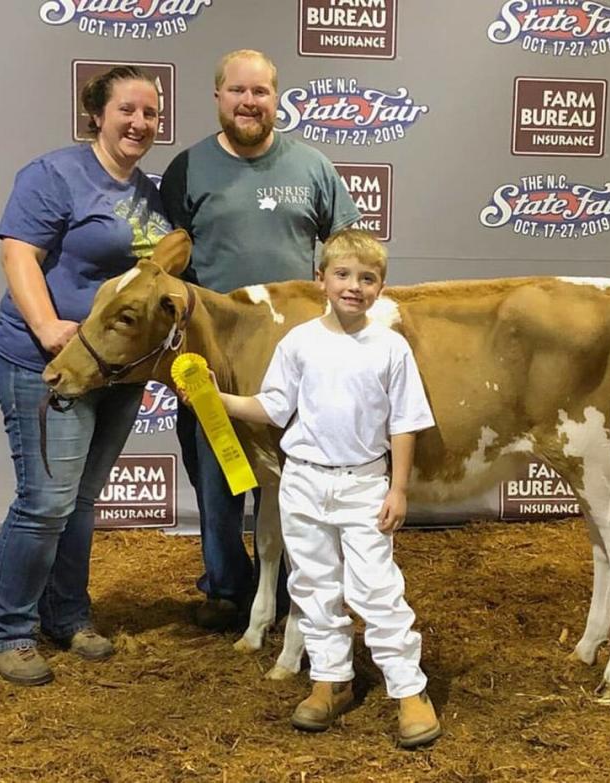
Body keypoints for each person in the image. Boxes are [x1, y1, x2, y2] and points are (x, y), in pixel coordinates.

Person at [191, 229, 442, 748]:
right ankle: (332, 679)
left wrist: (398, 489)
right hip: (302, 480)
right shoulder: (299, 342)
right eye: (343, 275)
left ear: (381, 287)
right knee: (311, 586)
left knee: (377, 590)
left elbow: (406, 423)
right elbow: (273, 407)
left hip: (364, 483)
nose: (354, 286)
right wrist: (216, 399)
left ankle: (409, 689)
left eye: (367, 278)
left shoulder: (391, 347)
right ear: (320, 280)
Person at [0, 65, 172, 685]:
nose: (140, 123)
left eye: (150, 113)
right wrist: (45, 327)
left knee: (81, 500)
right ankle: (8, 630)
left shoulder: (149, 192)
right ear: (98, 112)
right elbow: (19, 254)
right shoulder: (54, 174)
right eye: (128, 110)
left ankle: (66, 615)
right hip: (50, 364)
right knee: (45, 502)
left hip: (115, 372)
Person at [160, 49, 360, 630]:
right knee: (220, 476)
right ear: (218, 97)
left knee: (298, 482)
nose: (250, 103)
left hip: (303, 366)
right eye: (238, 92)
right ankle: (228, 590)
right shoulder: (187, 169)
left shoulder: (313, 167)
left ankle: (304, 592)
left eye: (261, 93)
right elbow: (165, 265)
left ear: (277, 98)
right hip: (216, 364)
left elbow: (349, 247)